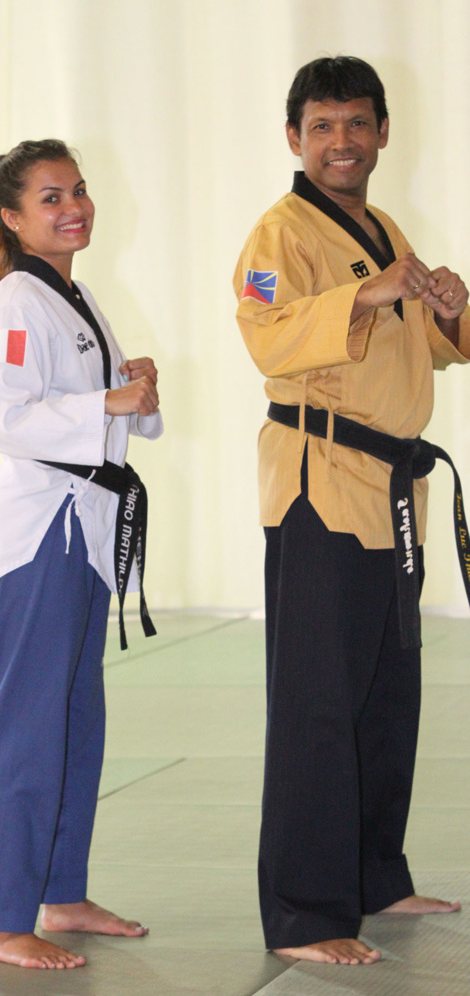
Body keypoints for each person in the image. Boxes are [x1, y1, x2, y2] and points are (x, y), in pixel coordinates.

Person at [234, 57, 469, 966]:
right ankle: (303, 912)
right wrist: (369, 293)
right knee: (316, 705)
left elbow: (429, 354)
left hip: (389, 490)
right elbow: (268, 335)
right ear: (294, 137)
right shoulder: (278, 235)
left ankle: (375, 875)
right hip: (318, 483)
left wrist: (447, 307)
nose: (342, 141)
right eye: (323, 126)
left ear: (380, 134)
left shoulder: (380, 226)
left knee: (383, 694)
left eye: (357, 124)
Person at [0, 139, 162, 970]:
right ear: (12, 217)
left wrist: (131, 393)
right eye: (49, 197)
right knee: (24, 731)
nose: (72, 206)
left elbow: (97, 412)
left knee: (74, 725)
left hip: (82, 533)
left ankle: (61, 893)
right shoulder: (15, 299)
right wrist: (105, 399)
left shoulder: (71, 297)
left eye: (76, 191)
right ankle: (2, 921)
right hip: (36, 538)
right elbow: (8, 420)